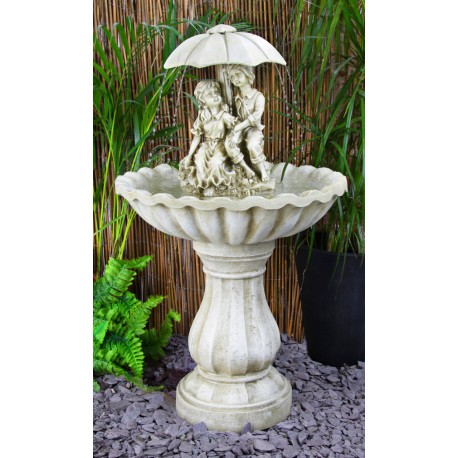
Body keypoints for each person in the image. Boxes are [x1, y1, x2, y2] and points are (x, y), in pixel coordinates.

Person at [179, 80, 241, 196]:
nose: (215, 95)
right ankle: (204, 185)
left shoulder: (224, 115)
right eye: (209, 94)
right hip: (207, 145)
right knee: (200, 161)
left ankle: (215, 185)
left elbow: (237, 126)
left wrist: (235, 138)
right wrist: (189, 155)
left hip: (220, 145)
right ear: (203, 100)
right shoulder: (202, 117)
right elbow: (197, 137)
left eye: (216, 92)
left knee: (216, 162)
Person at [225, 64, 270, 182]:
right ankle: (245, 169)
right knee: (230, 144)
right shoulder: (236, 98)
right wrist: (236, 132)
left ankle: (262, 171)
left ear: (248, 75)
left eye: (238, 75)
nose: (235, 79)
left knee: (252, 145)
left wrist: (239, 127)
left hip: (253, 128)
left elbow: (256, 116)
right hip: (240, 128)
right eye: (232, 77)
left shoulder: (258, 96)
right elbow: (237, 118)